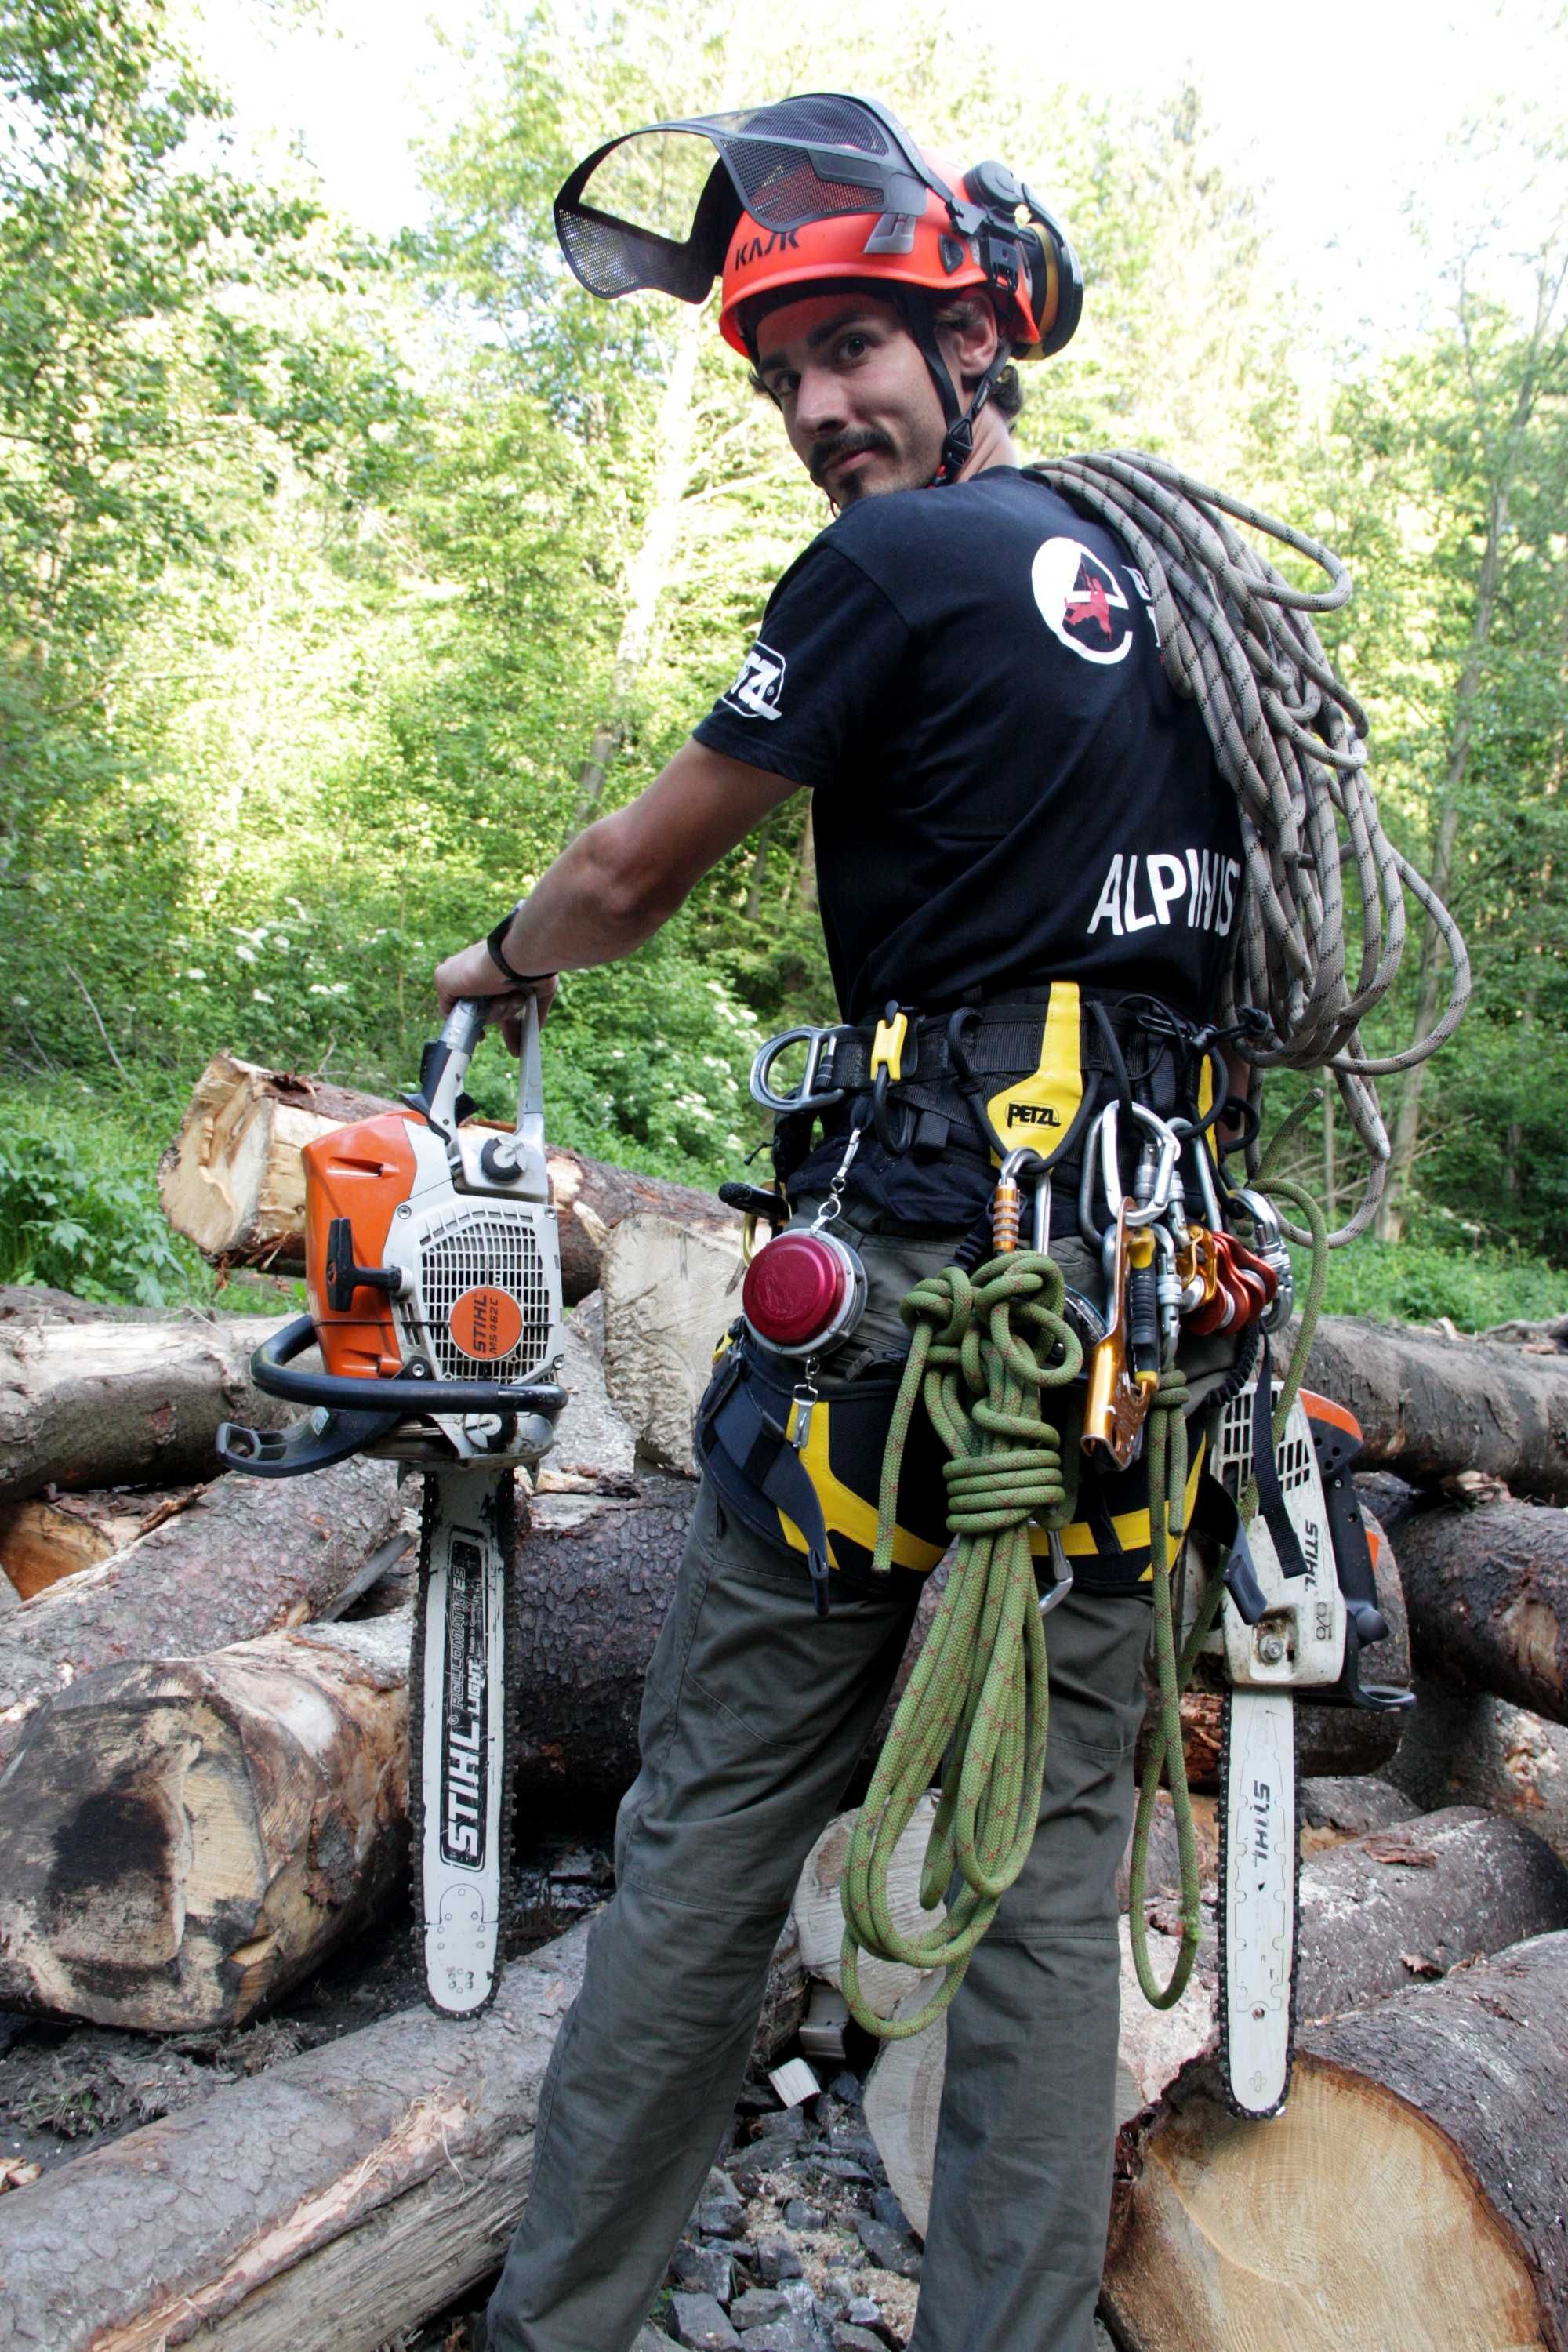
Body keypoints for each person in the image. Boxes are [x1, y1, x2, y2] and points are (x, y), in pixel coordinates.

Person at [434, 96, 1244, 2352]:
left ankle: (564, 2324)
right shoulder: (1177, 602)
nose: (814, 409)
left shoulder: (900, 572)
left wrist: (504, 958)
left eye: (860, 348)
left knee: (702, 1843)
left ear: (979, 336)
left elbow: (630, 877)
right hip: (1115, 1325)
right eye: (785, 372)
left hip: (905, 1305)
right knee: (1054, 1883)